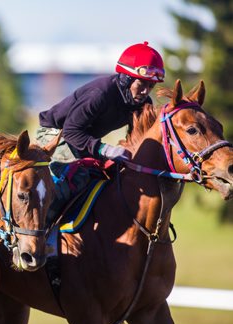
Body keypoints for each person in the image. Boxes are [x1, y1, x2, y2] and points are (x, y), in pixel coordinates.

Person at [36, 41, 165, 221]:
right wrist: (105, 150)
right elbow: (71, 131)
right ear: (126, 78)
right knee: (77, 177)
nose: (145, 91)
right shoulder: (100, 94)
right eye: (142, 83)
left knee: (109, 176)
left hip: (81, 138)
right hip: (56, 134)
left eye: (151, 86)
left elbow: (137, 139)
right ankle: (44, 233)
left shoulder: (142, 103)